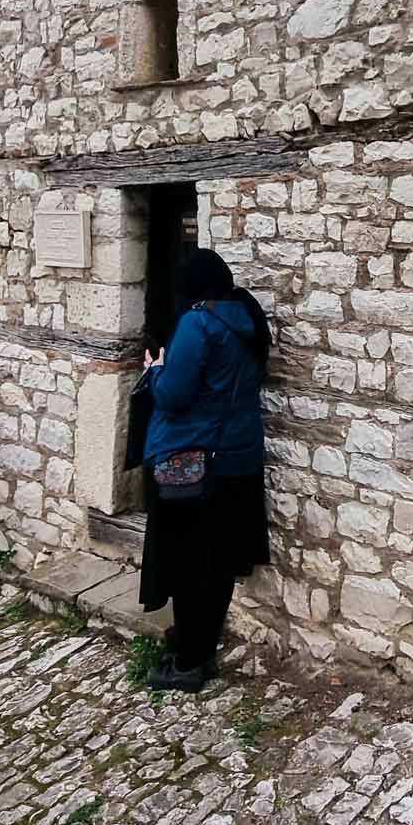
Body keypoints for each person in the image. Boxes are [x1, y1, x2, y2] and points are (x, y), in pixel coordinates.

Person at [138, 248, 271, 692]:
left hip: (193, 460)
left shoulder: (198, 322)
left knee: (188, 562)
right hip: (238, 457)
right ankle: (201, 647)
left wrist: (155, 371)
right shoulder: (246, 316)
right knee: (215, 564)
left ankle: (189, 662)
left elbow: (176, 395)